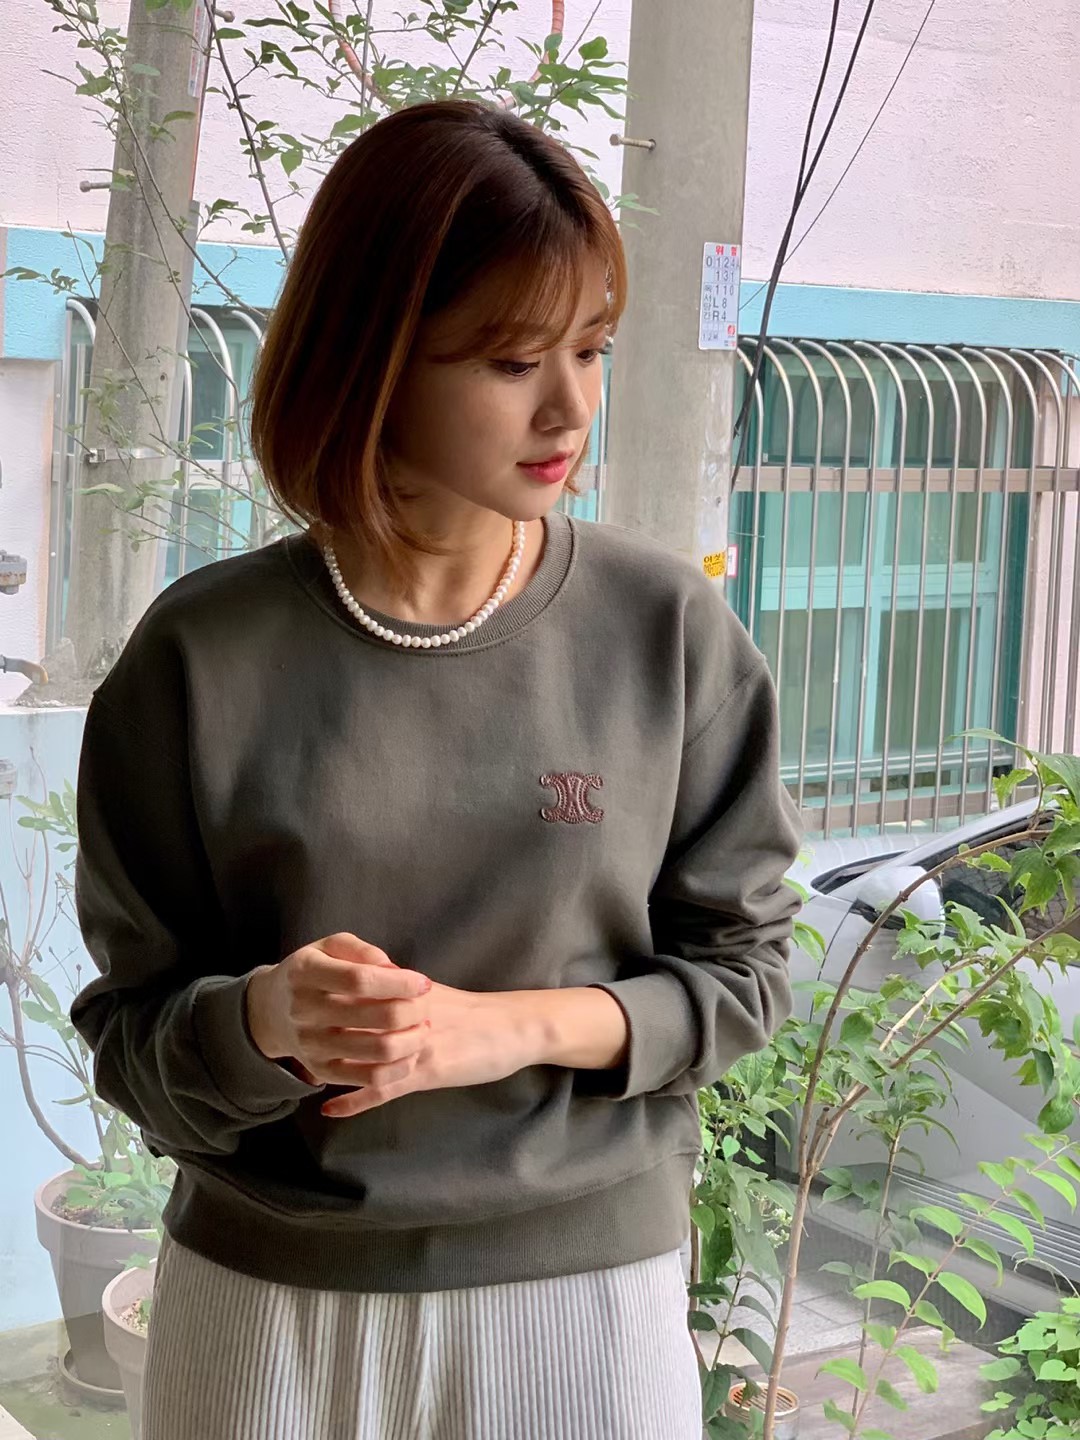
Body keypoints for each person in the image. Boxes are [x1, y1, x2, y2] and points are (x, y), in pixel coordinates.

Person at [71, 99, 802, 1440]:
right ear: (376, 356)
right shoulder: (200, 656)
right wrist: (267, 1021)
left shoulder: (664, 633)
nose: (571, 405)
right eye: (514, 359)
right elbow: (132, 1043)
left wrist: (497, 1028)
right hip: (267, 1305)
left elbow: (745, 976)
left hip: (587, 1301)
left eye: (591, 347)